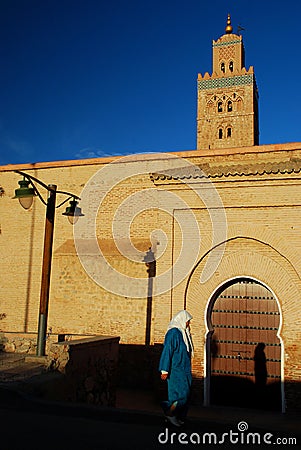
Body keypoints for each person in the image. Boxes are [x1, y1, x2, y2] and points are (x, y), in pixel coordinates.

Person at [158, 310, 193, 427]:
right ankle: (169, 412)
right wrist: (164, 370)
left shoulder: (183, 333)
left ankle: (179, 417)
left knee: (185, 394)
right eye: (187, 322)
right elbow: (167, 350)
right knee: (180, 395)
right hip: (176, 370)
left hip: (184, 369)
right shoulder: (173, 333)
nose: (188, 324)